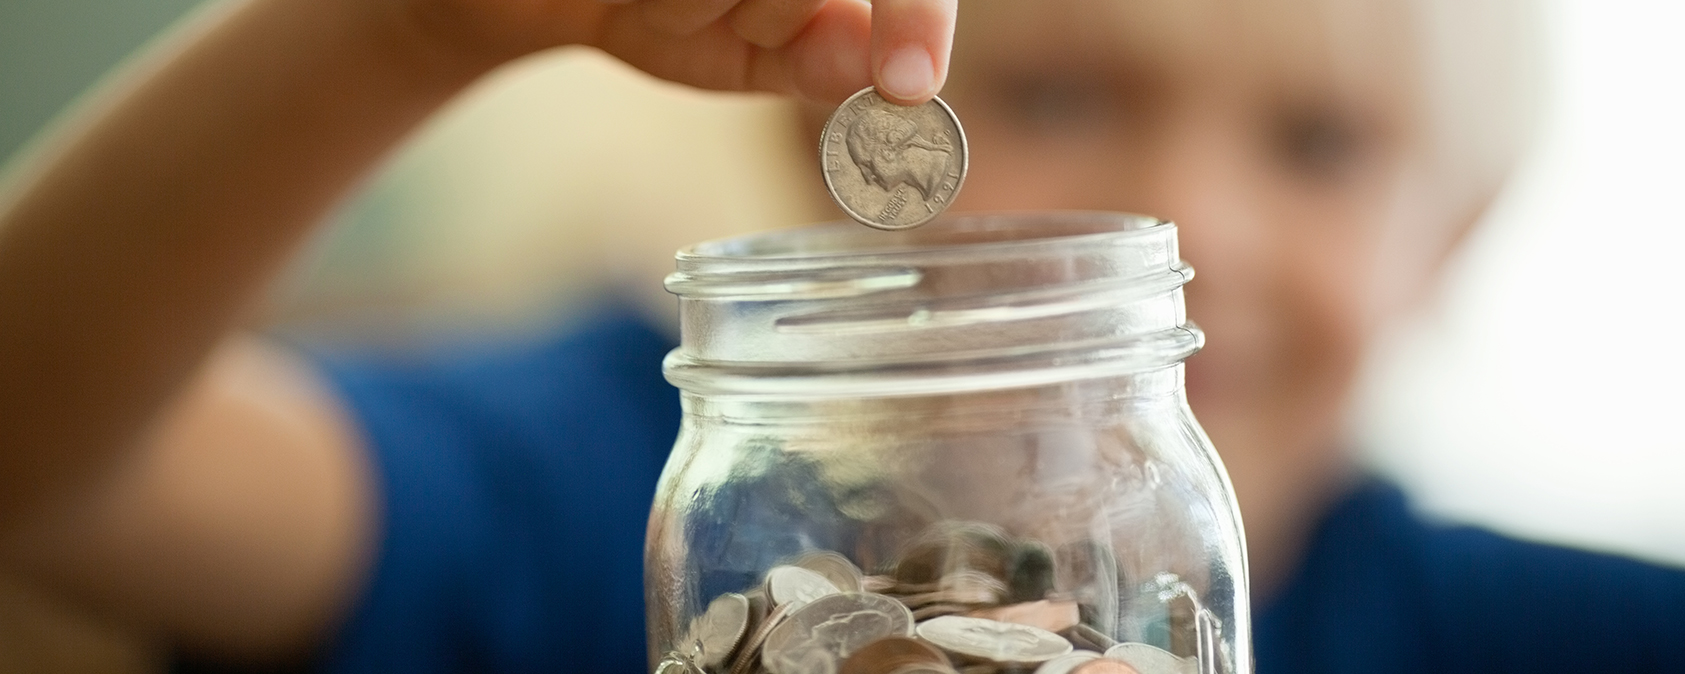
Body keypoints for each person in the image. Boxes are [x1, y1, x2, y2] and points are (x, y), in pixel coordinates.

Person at [0, 1, 1682, 674]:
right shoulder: (589, 478)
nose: (1184, 223)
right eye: (1059, 93)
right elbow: (47, 459)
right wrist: (407, 28)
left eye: (1316, 146)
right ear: (826, 145)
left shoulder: (1499, 626)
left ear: (1448, 240)